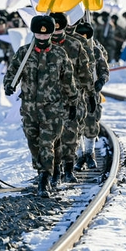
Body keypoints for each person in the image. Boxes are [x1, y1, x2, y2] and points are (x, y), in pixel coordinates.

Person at [3, 15, 78, 197]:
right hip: (29, 109)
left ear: (51, 34)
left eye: (46, 35)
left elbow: (68, 80)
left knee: (47, 143)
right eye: (39, 34)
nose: (42, 38)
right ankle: (46, 170)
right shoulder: (23, 53)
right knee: (33, 142)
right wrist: (8, 85)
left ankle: (45, 178)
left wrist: (73, 101)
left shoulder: (59, 54)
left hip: (53, 109)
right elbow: (12, 73)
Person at [49, 12, 96, 185]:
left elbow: (85, 72)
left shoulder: (75, 44)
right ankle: (55, 171)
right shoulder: (41, 45)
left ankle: (68, 168)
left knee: (71, 134)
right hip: (49, 98)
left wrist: (91, 93)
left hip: (72, 97)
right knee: (51, 137)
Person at [74, 22, 110, 171]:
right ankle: (79, 155)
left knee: (91, 123)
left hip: (91, 93)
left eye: (85, 36)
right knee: (74, 125)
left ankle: (90, 153)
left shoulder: (95, 50)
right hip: (74, 93)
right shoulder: (71, 49)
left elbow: (104, 69)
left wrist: (101, 81)